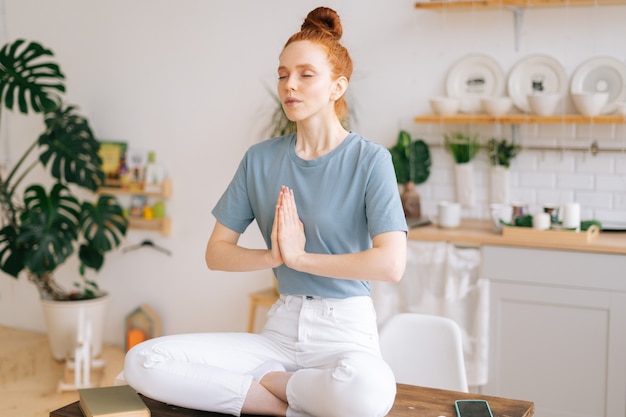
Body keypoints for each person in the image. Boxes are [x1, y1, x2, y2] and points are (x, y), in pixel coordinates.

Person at [123, 6, 407, 417]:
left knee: (366, 392)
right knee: (144, 362)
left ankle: (271, 385)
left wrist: (300, 258)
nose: (290, 85)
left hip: (345, 333)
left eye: (306, 74)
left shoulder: (370, 160)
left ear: (337, 87)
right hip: (279, 331)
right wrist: (273, 257)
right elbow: (216, 252)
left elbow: (391, 264)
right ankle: (286, 406)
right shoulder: (260, 160)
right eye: (282, 74)